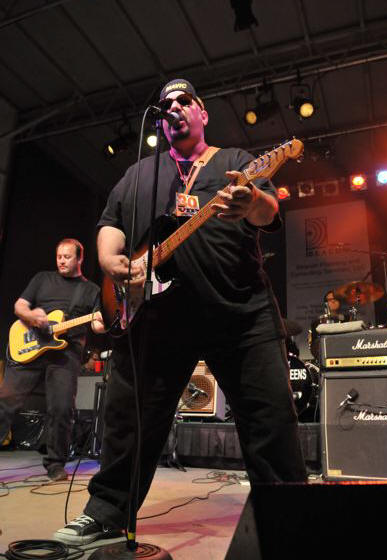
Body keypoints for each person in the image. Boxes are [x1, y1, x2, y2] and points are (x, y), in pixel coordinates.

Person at [54, 79, 307, 545]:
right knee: (129, 421)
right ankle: (108, 511)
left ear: (202, 114)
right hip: (159, 320)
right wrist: (111, 259)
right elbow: (110, 223)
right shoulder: (140, 175)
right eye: (167, 102)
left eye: (185, 101)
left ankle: (290, 518)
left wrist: (251, 201)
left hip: (240, 312)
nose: (175, 107)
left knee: (270, 422)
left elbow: (269, 211)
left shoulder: (234, 162)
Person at [0, 239, 101, 481]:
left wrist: (103, 321)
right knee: (6, 402)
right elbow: (20, 306)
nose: (62, 260)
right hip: (30, 346)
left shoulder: (92, 290)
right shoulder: (42, 279)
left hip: (65, 354)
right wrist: (32, 315)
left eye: (67, 256)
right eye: (59, 256)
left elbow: (98, 325)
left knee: (62, 408)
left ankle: (56, 464)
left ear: (79, 259)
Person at [308, 289, 346, 359]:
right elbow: (314, 345)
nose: (333, 301)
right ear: (325, 303)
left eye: (335, 299)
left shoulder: (347, 319)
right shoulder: (317, 322)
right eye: (330, 299)